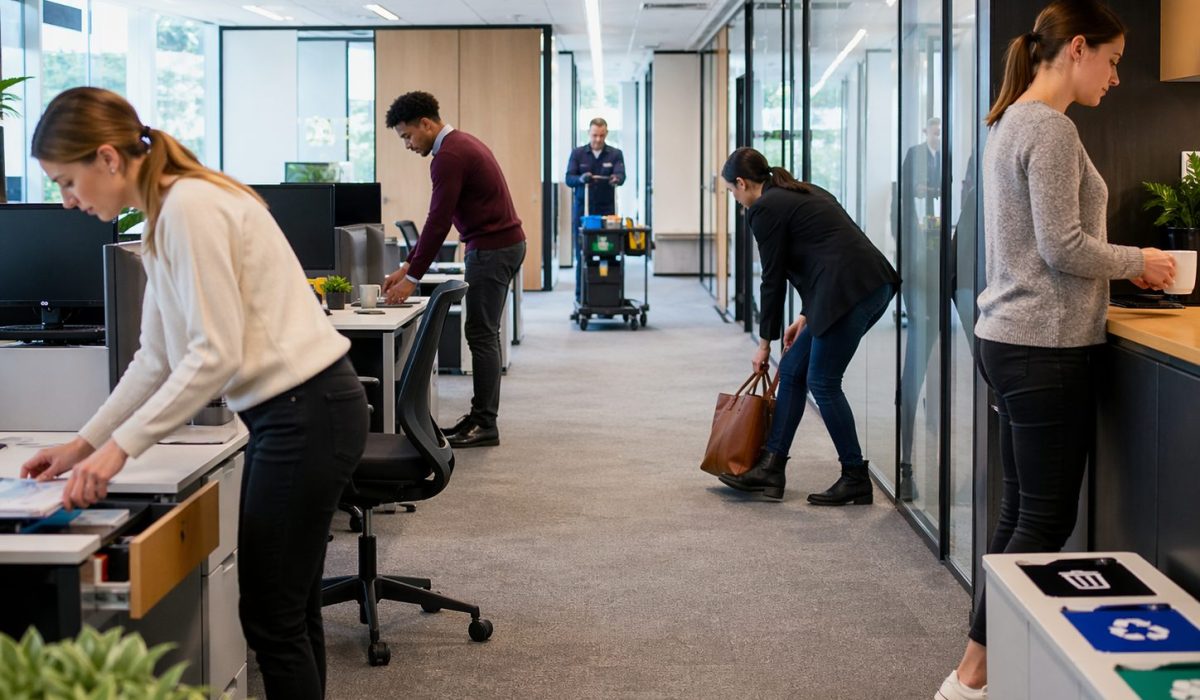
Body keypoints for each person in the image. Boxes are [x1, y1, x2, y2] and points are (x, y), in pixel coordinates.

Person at [21, 87, 368, 700]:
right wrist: (82, 445)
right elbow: (155, 360)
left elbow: (214, 355)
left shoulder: (190, 207)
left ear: (107, 158)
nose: (68, 201)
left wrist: (118, 451)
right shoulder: (165, 217)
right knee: (288, 611)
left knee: (272, 618)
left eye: (67, 182)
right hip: (297, 412)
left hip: (306, 411)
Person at [936, 3, 1174, 698]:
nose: (1116, 77)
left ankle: (985, 668)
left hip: (1012, 339)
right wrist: (1140, 261)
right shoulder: (1049, 127)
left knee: (1020, 512)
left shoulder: (1011, 120)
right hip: (1043, 345)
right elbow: (1062, 245)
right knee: (1043, 518)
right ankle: (973, 677)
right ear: (1077, 48)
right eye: (1113, 60)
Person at [716, 147, 900, 504]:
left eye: (731, 191)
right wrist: (806, 315)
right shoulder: (802, 190)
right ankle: (771, 467)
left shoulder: (764, 209)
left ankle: (855, 476)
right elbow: (825, 250)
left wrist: (764, 344)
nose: (735, 199)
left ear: (741, 183)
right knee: (793, 370)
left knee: (823, 381)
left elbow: (772, 280)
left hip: (849, 292)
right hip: (867, 284)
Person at [382, 91, 526, 448]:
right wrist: (408, 264)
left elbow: (438, 221)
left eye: (407, 136)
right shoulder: (460, 145)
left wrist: (413, 277)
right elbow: (437, 221)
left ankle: (485, 424)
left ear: (426, 124)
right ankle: (480, 418)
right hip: (499, 245)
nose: (407, 145)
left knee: (481, 334)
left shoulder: (448, 156)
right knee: (483, 332)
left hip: (492, 249)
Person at [897, 117, 942, 500]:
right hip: (918, 253)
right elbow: (905, 196)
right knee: (916, 356)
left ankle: (935, 413)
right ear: (926, 131)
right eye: (934, 130)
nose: (937, 136)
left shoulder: (946, 156)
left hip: (941, 245)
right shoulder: (915, 155)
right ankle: (905, 462)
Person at [566, 117, 626, 304]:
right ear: (589, 134)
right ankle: (581, 298)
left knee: (609, 252)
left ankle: (608, 298)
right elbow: (569, 178)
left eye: (601, 135)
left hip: (607, 212)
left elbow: (622, 175)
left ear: (606, 134)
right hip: (583, 213)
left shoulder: (615, 154)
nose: (598, 139)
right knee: (583, 254)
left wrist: (616, 178)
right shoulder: (578, 154)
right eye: (594, 135)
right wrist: (581, 179)